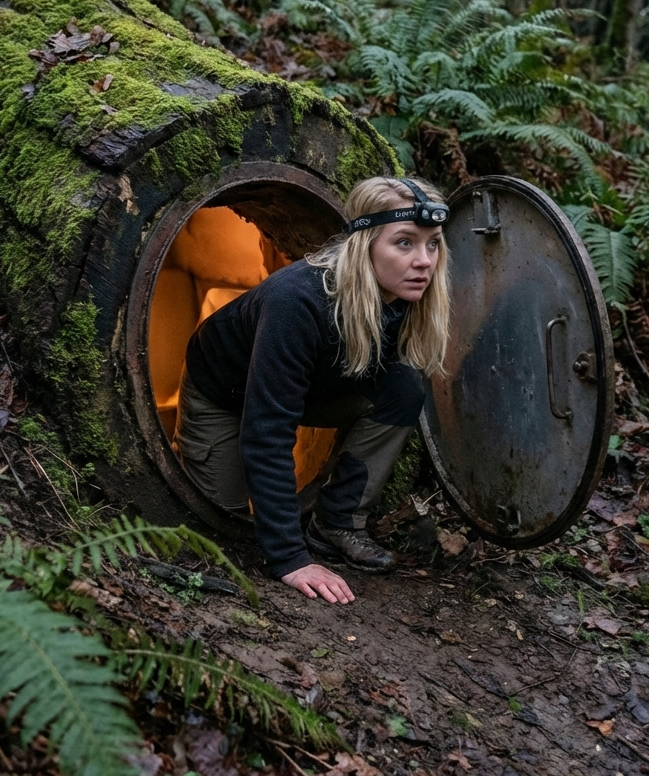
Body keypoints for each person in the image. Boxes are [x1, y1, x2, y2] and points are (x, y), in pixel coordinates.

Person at [173, 177, 450, 605]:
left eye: (433, 244)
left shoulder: (403, 295)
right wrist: (290, 558)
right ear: (364, 244)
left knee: (403, 390)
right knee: (222, 531)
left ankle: (337, 523)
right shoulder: (297, 300)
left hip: (312, 386)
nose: (424, 261)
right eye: (404, 243)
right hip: (223, 393)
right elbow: (268, 430)